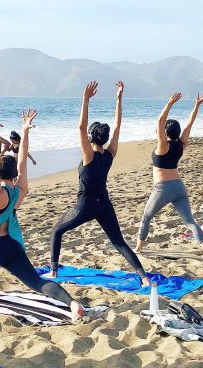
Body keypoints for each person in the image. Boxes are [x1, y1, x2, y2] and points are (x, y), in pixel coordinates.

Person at [0, 107, 83, 320]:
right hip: (11, 248)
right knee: (37, 282)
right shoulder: (19, 191)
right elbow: (21, 161)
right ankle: (72, 304)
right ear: (14, 174)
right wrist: (25, 131)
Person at [46, 81, 149, 284]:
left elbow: (80, 126)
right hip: (104, 205)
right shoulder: (110, 154)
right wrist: (119, 99)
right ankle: (143, 277)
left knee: (56, 231)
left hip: (85, 206)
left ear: (91, 137)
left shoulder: (89, 156)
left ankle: (54, 272)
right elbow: (118, 125)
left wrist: (85, 100)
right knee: (119, 242)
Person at [135, 92, 203, 257]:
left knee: (146, 216)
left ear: (165, 133)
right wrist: (197, 105)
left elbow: (160, 121)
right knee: (189, 221)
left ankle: (139, 248)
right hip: (179, 187)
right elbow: (190, 124)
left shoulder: (163, 146)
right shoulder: (181, 145)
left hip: (163, 188)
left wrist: (169, 103)